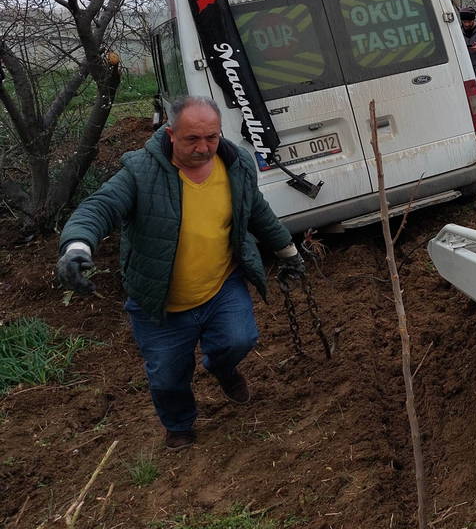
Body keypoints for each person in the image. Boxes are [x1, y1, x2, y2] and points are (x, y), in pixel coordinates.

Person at [56, 96, 305, 450]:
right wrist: (77, 247)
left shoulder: (236, 164)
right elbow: (100, 207)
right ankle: (179, 424)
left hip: (221, 286)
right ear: (171, 134)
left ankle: (222, 368)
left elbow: (257, 212)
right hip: (161, 301)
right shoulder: (141, 172)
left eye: (211, 137)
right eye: (192, 139)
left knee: (239, 340)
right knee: (168, 377)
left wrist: (288, 252)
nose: (203, 148)